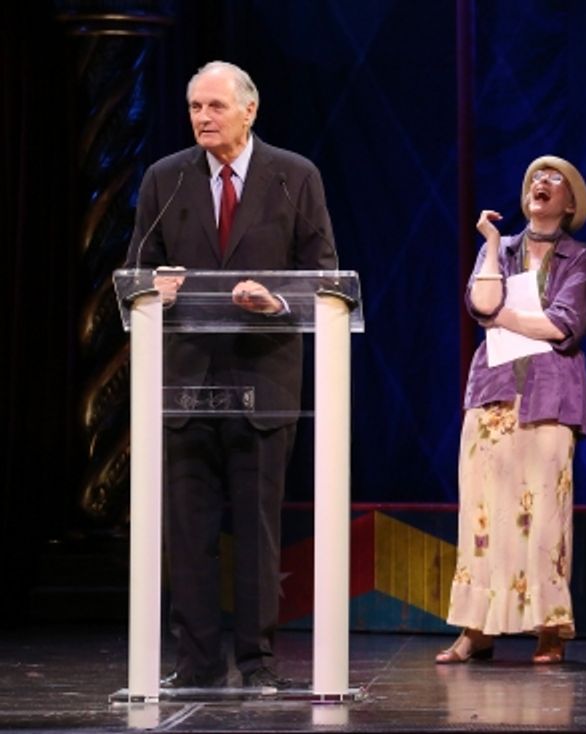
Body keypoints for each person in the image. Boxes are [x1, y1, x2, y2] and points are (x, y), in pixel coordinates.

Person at [126, 60, 337, 688]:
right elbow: (137, 268)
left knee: (256, 530)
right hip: (184, 384)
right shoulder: (165, 179)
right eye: (195, 107)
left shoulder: (294, 177)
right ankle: (195, 664)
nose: (203, 118)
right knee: (188, 534)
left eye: (215, 107)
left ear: (250, 110)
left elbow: (325, 277)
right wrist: (151, 291)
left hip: (263, 382)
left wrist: (275, 301)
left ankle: (258, 662)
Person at [437, 155, 586, 665]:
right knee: (482, 514)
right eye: (534, 179)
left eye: (553, 181)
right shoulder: (499, 251)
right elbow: (477, 302)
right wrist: (487, 245)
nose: (541, 185)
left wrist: (501, 315)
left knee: (544, 516)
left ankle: (549, 628)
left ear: (569, 202)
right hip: (494, 392)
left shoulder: (578, 257)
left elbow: (562, 326)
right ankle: (476, 628)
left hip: (551, 396)